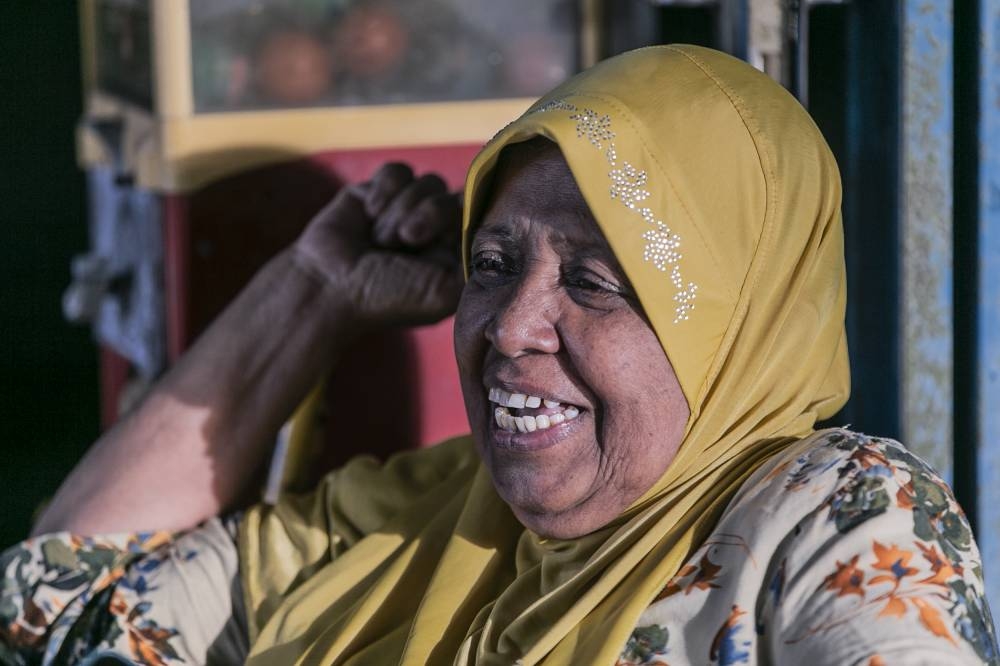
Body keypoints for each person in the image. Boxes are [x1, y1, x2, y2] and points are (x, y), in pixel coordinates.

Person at [2, 45, 997, 665]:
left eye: (595, 282)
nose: (510, 326)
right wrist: (308, 293)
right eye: (492, 261)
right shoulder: (403, 527)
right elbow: (57, 610)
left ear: (731, 324)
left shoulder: (831, 524)